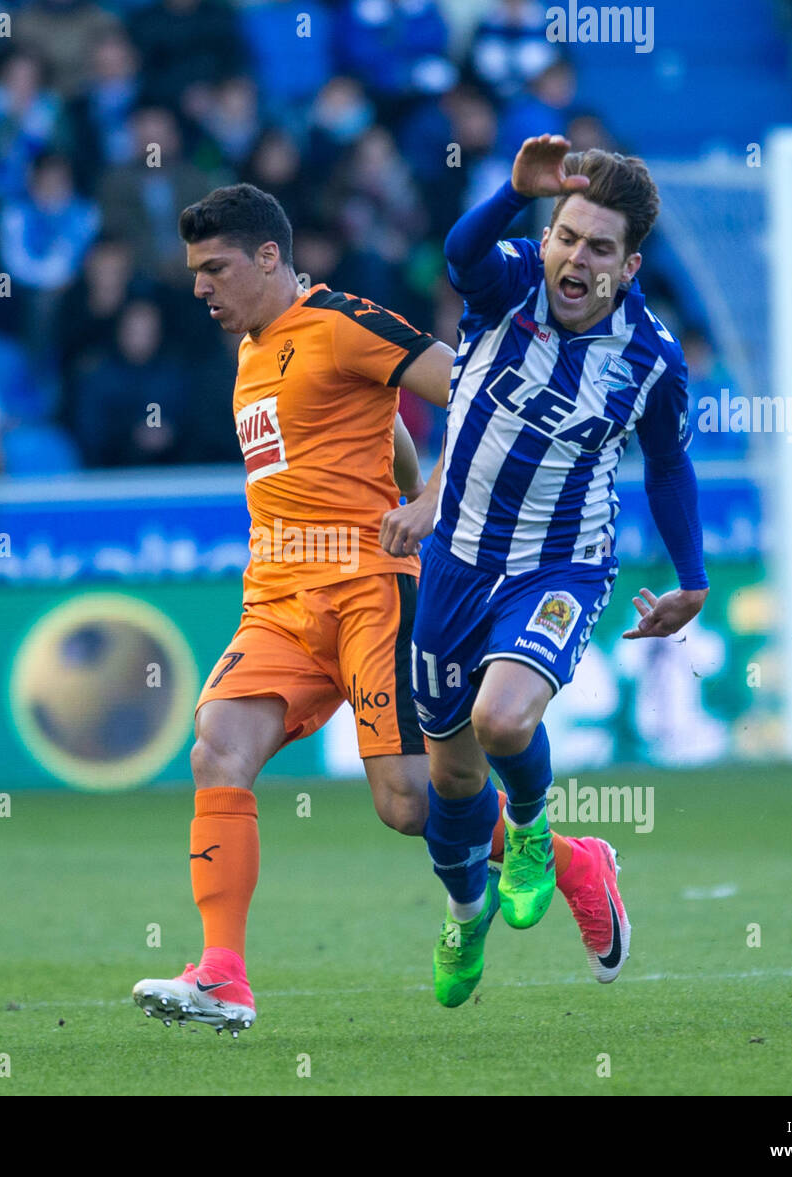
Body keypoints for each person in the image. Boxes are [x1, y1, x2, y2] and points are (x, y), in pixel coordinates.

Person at [131, 182, 620, 1034]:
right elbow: (379, 420)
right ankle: (223, 973)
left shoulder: (345, 321)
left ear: (270, 257)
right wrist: (402, 471)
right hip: (277, 600)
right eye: (194, 272)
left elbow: (476, 393)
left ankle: (576, 860)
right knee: (217, 750)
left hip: (369, 591)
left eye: (216, 268)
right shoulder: (251, 351)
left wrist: (431, 499)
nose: (201, 287)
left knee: (405, 802)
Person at [402, 135, 708, 1007]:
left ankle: (534, 829)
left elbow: (667, 468)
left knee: (502, 721)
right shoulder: (508, 281)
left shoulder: (650, 357)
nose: (575, 257)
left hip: (560, 566)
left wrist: (691, 575)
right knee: (450, 782)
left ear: (629, 263)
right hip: (455, 560)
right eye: (566, 235)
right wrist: (511, 193)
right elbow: (458, 252)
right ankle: (468, 914)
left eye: (598, 247)